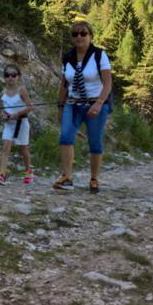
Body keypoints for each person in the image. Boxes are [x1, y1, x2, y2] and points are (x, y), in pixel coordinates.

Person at [54, 21, 112, 194]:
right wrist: (60, 107)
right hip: (72, 104)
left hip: (95, 104)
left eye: (83, 33)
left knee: (94, 142)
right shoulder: (68, 57)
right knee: (65, 137)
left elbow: (108, 83)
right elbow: (64, 84)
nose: (79, 37)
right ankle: (67, 177)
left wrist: (99, 103)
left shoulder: (99, 55)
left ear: (90, 36)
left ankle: (94, 179)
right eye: (75, 34)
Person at [0, 64, 35, 185]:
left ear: (18, 77)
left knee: (23, 148)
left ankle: (28, 171)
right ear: (4, 77)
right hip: (9, 124)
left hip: (22, 123)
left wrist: (18, 113)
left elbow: (31, 107)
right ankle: (2, 174)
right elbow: (3, 108)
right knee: (5, 147)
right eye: (7, 75)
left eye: (13, 75)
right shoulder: (3, 91)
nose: (10, 77)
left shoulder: (22, 91)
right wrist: (3, 115)